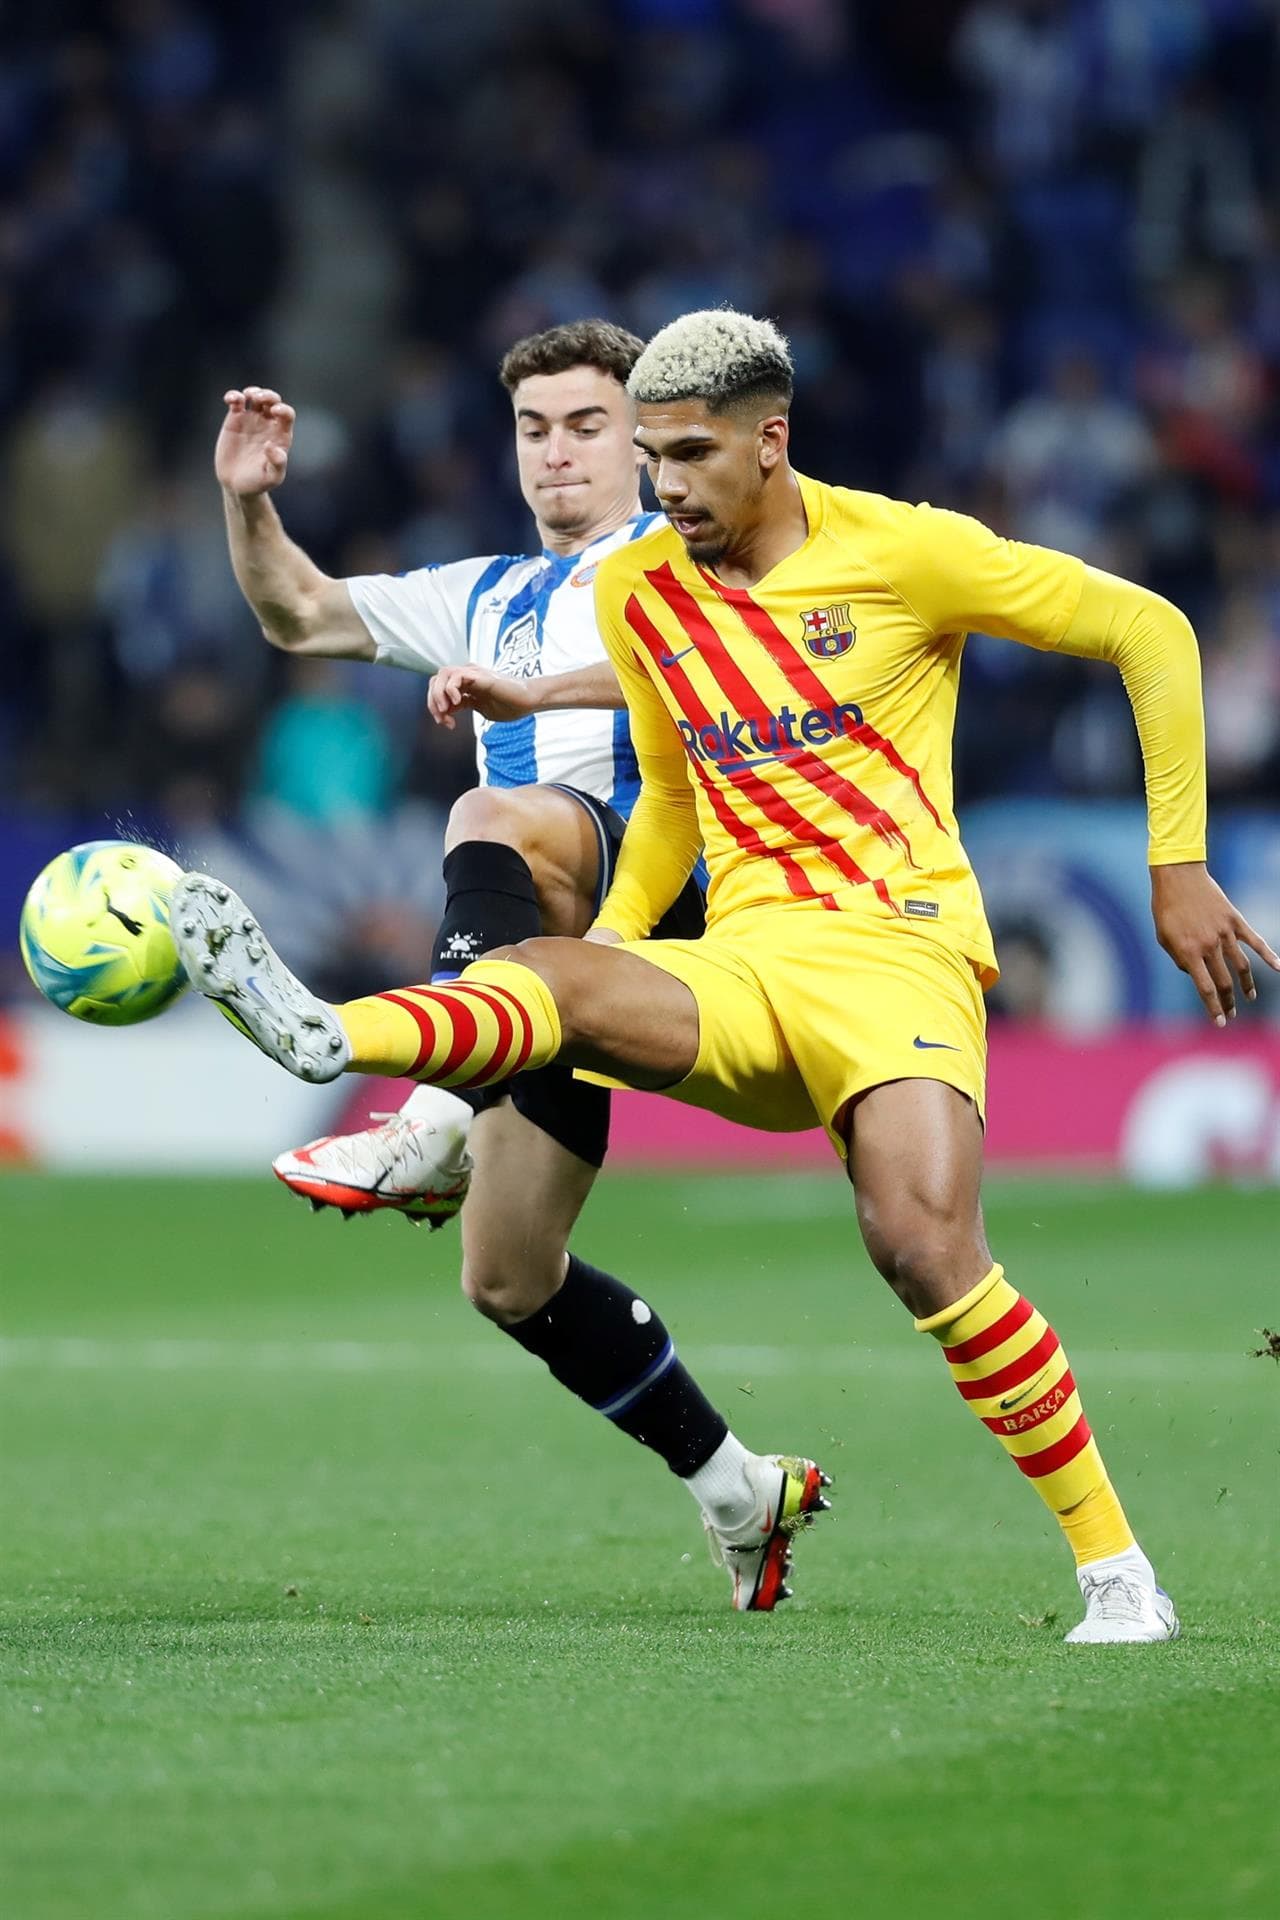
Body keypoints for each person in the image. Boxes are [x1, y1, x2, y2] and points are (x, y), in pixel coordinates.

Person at [174, 307, 1278, 1643]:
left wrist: (1177, 867)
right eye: (653, 458)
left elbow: (1150, 631)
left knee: (922, 1247)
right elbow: (679, 806)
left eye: (687, 455)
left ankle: (1117, 1572)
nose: (668, 488)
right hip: (745, 961)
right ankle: (326, 1038)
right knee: (549, 988)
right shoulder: (649, 594)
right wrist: (619, 954)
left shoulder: (905, 552)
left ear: (773, 441)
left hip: (896, 955)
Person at [213, 320, 829, 1613]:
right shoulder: (482, 591)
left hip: (677, 911)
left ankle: (432, 1101)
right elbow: (301, 614)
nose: (558, 454)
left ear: (641, 436)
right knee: (506, 1274)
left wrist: (536, 693)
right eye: (535, 429)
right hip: (540, 971)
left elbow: (715, 670)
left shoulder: (692, 553)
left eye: (586, 426)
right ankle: (737, 1487)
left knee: (490, 817)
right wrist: (247, 502)